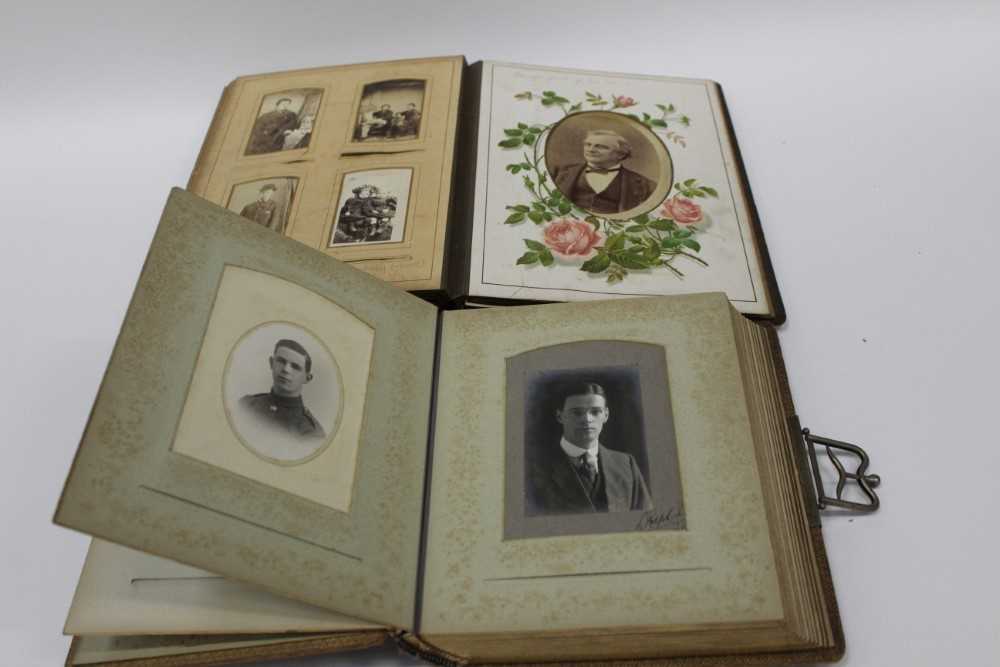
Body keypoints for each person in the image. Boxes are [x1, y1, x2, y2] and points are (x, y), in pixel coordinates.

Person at [526, 381, 652, 515]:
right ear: (560, 416)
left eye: (595, 412)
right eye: (577, 413)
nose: (587, 419)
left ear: (606, 415)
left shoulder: (626, 464)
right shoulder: (533, 469)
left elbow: (644, 521)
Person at [551, 130, 656, 214]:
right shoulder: (559, 172)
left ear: (620, 154)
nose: (590, 150)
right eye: (588, 144)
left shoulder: (646, 185)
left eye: (600, 146)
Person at [239, 339, 326, 440]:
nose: (286, 369)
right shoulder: (246, 404)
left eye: (295, 367)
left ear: (307, 378)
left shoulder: (311, 432)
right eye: (281, 361)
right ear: (271, 363)